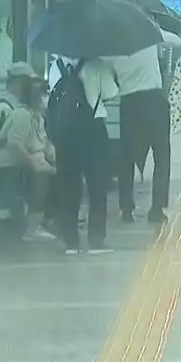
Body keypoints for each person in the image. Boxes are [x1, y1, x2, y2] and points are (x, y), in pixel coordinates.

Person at [105, 35, 177, 224]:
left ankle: (127, 209)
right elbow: (174, 41)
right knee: (161, 156)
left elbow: (110, 82)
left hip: (130, 104)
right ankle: (157, 208)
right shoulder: (149, 39)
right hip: (155, 101)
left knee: (126, 159)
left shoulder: (113, 53)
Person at [54, 57, 118, 254]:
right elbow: (111, 92)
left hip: (65, 133)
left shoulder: (56, 66)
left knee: (69, 186)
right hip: (93, 130)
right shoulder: (96, 64)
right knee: (97, 186)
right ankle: (96, 240)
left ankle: (71, 242)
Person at [0, 66, 58, 242]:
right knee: (43, 178)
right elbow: (14, 143)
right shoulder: (21, 114)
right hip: (17, 164)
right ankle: (33, 226)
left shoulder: (35, 115)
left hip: (29, 160)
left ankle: (40, 222)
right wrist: (35, 163)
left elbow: (45, 142)